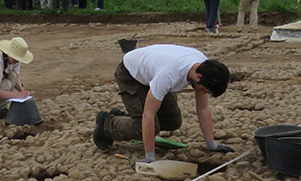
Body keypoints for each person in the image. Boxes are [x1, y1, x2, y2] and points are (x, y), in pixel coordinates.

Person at [92, 44, 231, 163]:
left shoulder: (205, 67)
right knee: (142, 127)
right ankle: (107, 124)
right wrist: (149, 156)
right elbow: (149, 114)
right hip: (131, 74)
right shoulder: (169, 75)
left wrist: (211, 144)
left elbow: (203, 108)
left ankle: (122, 118)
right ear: (198, 77)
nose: (203, 93)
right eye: (203, 89)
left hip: (153, 73)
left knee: (173, 121)